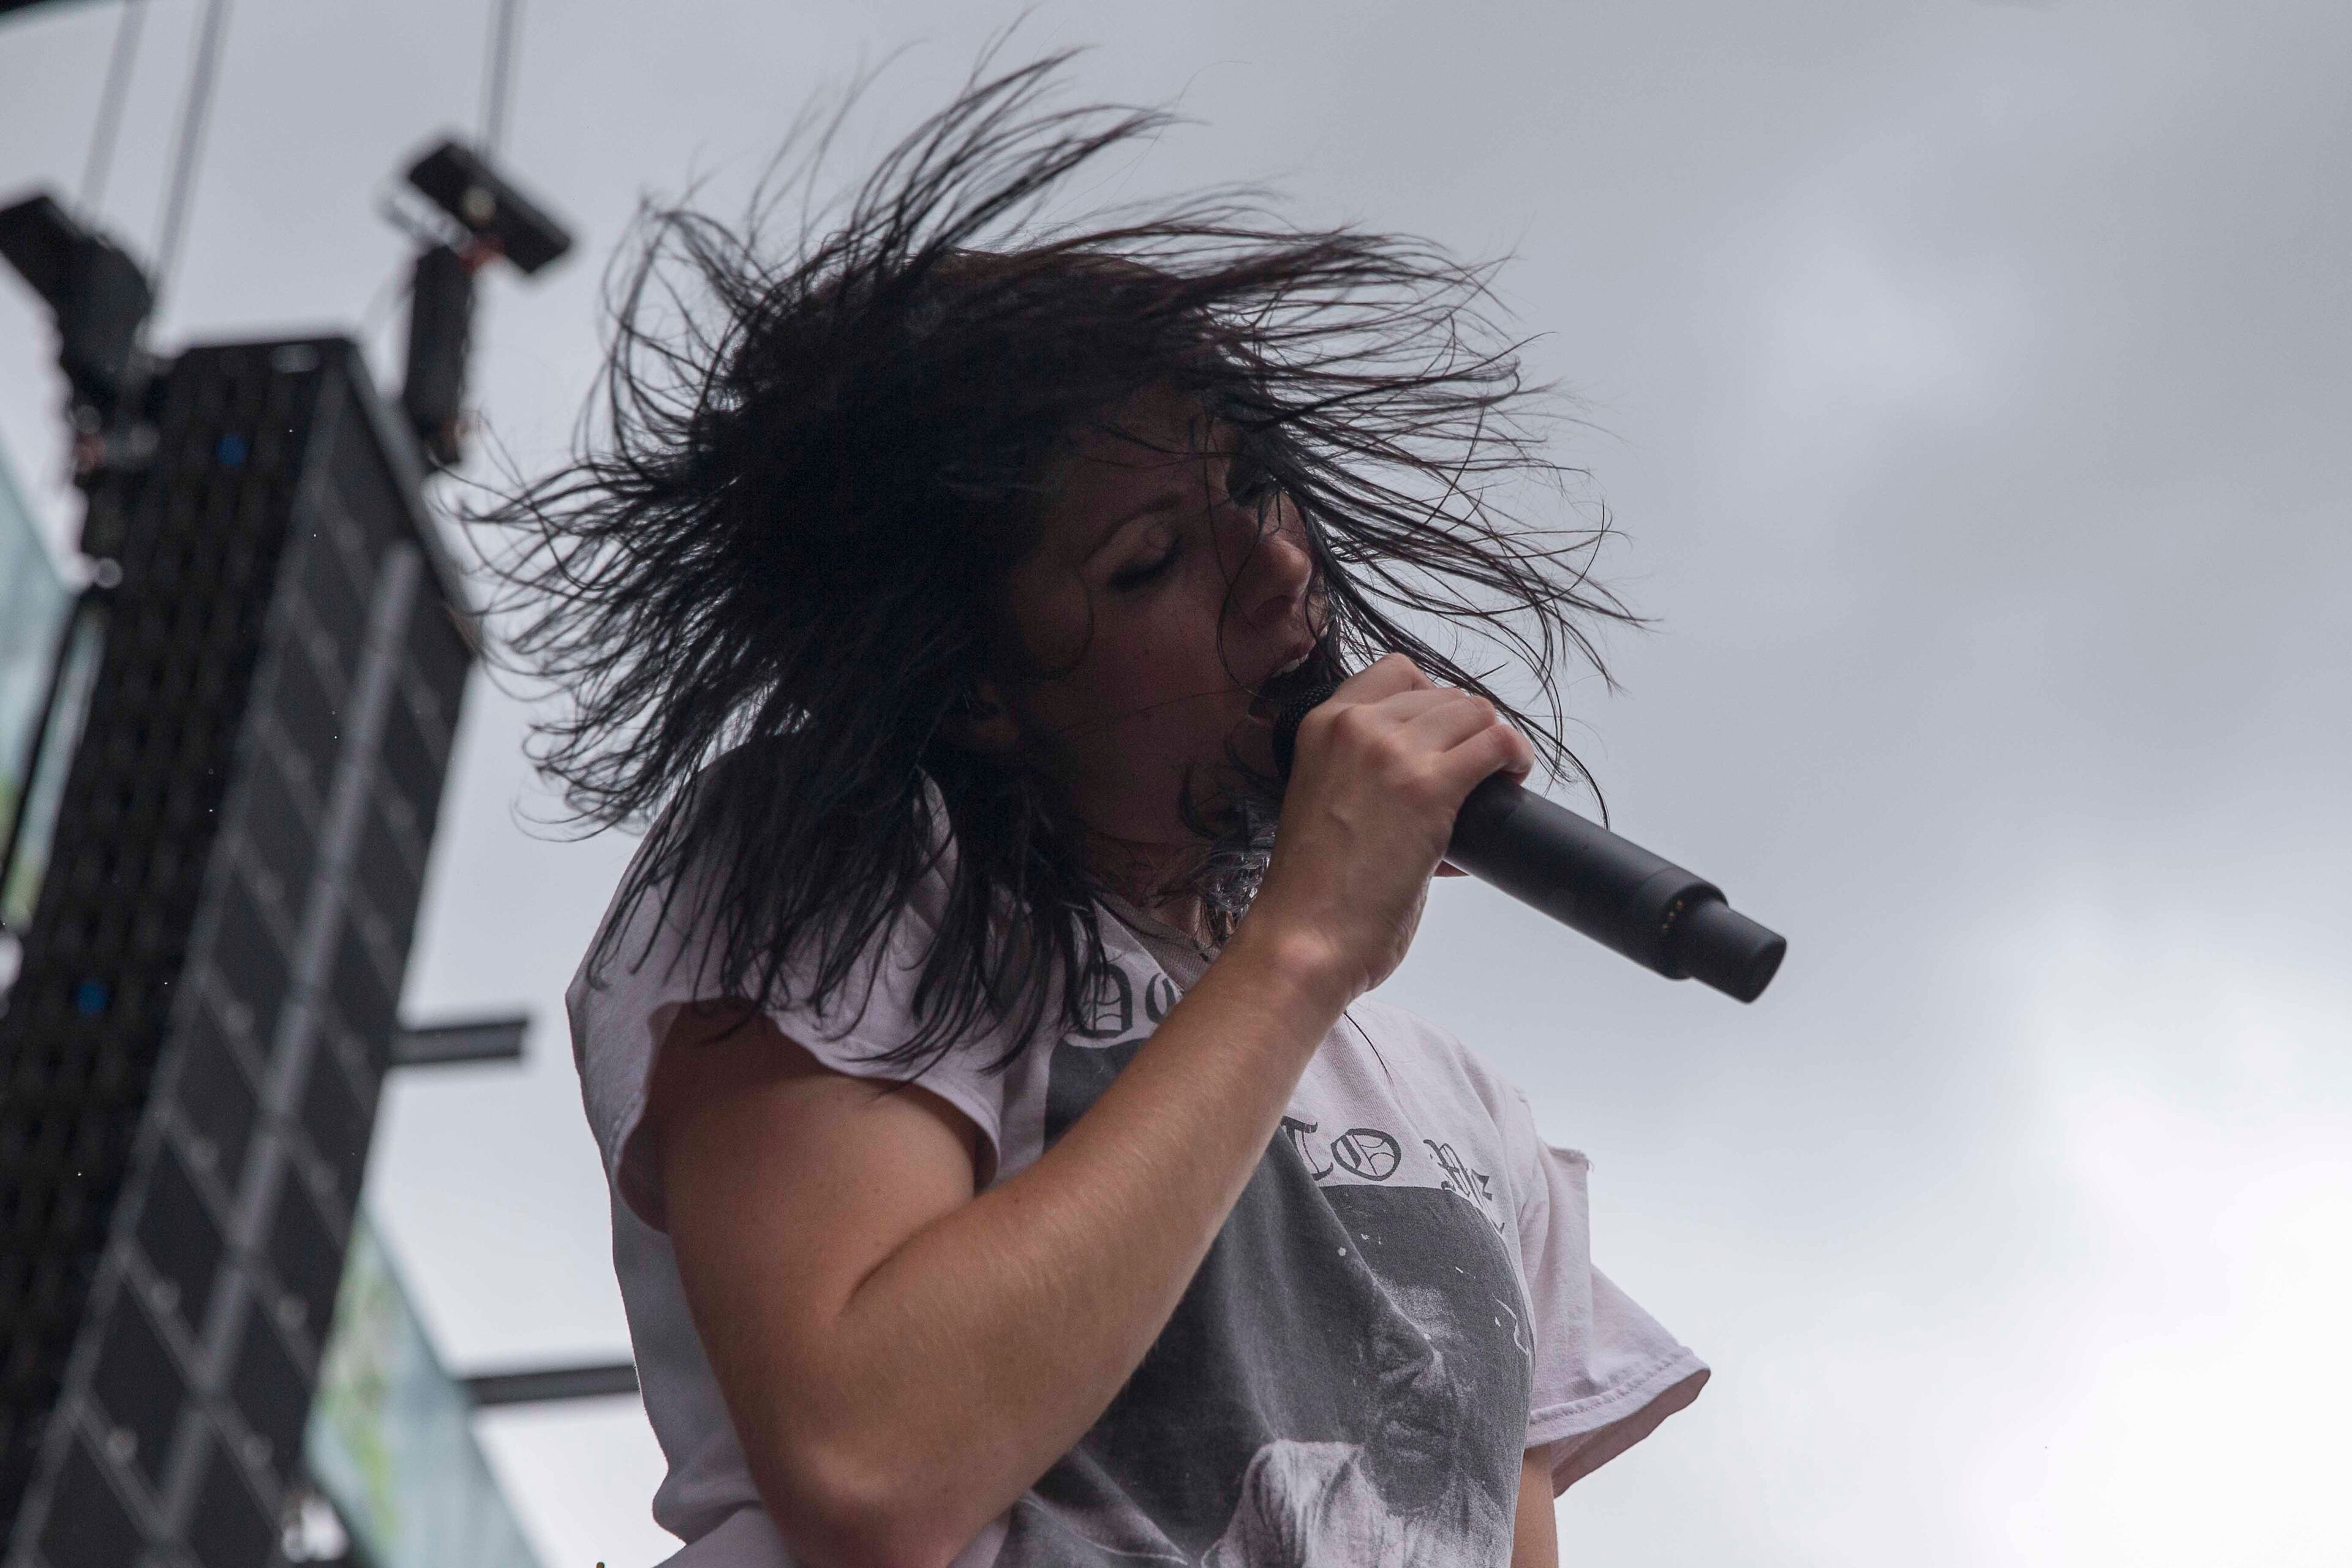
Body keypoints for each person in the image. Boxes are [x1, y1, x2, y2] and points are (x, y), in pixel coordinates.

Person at [498, 52, 1708, 1568]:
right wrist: (1301, 950)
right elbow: (871, 1461)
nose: (1276, 571)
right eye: (1149, 561)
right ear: (980, 688)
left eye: (1258, 489)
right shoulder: (860, 870)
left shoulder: (1466, 1118)